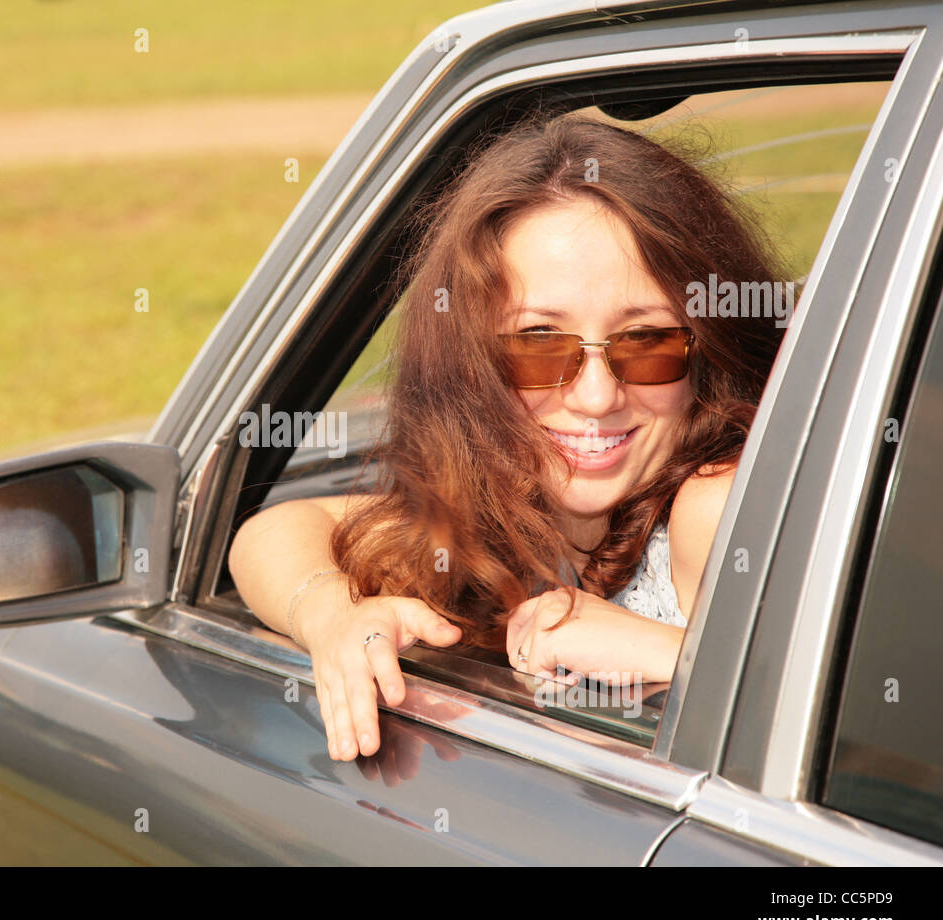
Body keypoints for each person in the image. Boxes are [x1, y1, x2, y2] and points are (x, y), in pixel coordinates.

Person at [227, 113, 788, 761]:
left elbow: (852, 742)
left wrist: (676, 657)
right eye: (539, 345)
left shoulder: (714, 507)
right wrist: (332, 619)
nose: (597, 395)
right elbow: (274, 531)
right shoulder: (500, 501)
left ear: (707, 347)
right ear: (471, 364)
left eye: (648, 340)